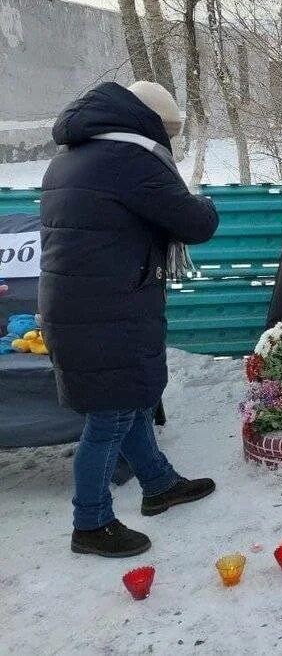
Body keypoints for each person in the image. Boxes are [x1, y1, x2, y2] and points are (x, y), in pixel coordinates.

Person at [39, 80, 220, 558]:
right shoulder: (129, 160)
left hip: (81, 304)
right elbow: (196, 224)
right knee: (110, 416)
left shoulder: (70, 157)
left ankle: (159, 484)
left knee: (131, 399)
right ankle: (91, 522)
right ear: (151, 124)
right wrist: (203, 200)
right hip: (106, 309)